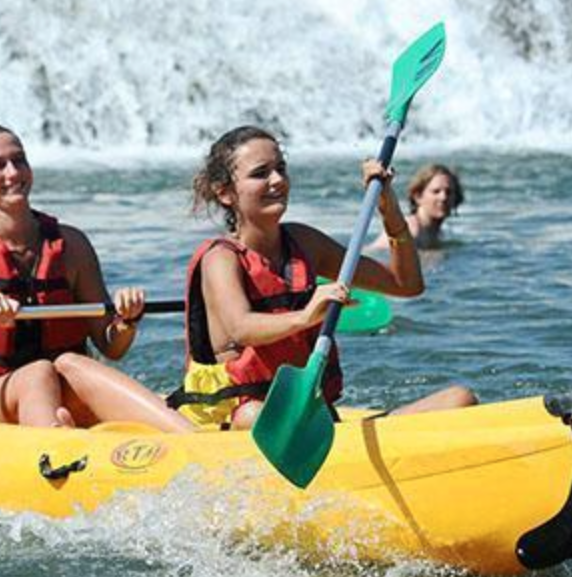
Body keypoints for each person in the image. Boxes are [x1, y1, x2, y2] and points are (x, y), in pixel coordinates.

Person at [0, 123, 195, 433]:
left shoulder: (72, 245)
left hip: (60, 385)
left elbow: (112, 348)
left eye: (19, 160)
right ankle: (59, 449)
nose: (13, 173)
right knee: (37, 373)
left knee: (70, 363)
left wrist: (126, 321)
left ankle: (190, 440)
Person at [174, 125, 476, 430]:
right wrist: (306, 316)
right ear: (224, 192)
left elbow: (406, 285)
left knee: (459, 399)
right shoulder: (221, 258)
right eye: (260, 173)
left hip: (311, 419)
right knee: (255, 416)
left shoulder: (305, 243)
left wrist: (389, 208)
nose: (277, 180)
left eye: (281, 168)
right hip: (244, 418)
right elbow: (241, 328)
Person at [369, 163, 464, 250]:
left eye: (449, 192)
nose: (443, 197)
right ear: (418, 196)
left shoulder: (435, 232)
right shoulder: (411, 230)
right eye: (436, 191)